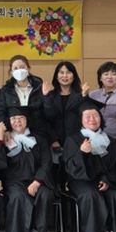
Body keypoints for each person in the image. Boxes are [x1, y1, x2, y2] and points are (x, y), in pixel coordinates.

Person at [63, 98, 116, 232]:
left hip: (106, 180)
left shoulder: (110, 140)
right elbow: (70, 168)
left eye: (95, 115)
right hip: (81, 181)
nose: (92, 119)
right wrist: (82, 153)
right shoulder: (73, 140)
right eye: (87, 116)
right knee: (91, 195)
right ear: (81, 120)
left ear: (101, 118)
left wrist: (107, 181)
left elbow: (115, 166)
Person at [0, 107, 54, 232]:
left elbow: (46, 163)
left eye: (21, 118)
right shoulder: (6, 139)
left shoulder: (39, 139)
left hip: (38, 180)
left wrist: (37, 181)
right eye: (13, 119)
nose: (17, 121)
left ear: (27, 120)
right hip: (14, 182)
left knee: (45, 195)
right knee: (18, 197)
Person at [43, 61, 88, 189]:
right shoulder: (50, 95)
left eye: (68, 72)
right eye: (61, 72)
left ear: (74, 75)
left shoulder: (80, 95)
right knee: (56, 177)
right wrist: (53, 139)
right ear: (56, 76)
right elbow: (46, 119)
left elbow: (85, 119)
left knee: (74, 174)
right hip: (54, 142)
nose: (65, 76)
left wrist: (84, 97)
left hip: (75, 142)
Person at [0, 55, 48, 139]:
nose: (19, 70)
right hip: (13, 134)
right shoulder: (6, 90)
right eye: (15, 68)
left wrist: (46, 97)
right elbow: (0, 113)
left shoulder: (39, 87)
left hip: (38, 132)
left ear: (28, 69)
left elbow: (48, 113)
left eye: (22, 67)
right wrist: (5, 130)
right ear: (11, 72)